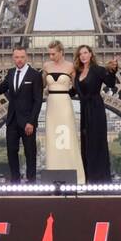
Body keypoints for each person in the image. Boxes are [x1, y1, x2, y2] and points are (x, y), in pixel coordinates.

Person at [0, 45, 43, 181]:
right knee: (11, 152)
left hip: (27, 121)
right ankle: (15, 181)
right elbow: (1, 88)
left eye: (21, 57)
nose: (19, 60)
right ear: (13, 58)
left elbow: (38, 101)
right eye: (16, 57)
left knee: (30, 153)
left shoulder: (35, 75)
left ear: (26, 57)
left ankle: (31, 182)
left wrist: (32, 122)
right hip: (12, 120)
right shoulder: (10, 73)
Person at [73, 44, 119, 183]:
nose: (83, 55)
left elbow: (110, 83)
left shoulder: (98, 70)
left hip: (96, 109)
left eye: (85, 52)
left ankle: (100, 179)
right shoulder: (78, 72)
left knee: (97, 143)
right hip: (85, 111)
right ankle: (89, 178)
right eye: (80, 53)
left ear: (91, 54)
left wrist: (113, 70)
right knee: (87, 144)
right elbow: (74, 91)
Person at [42, 39, 85, 183]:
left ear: (61, 53)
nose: (51, 57)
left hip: (64, 104)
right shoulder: (46, 66)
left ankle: (74, 175)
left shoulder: (71, 66)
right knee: (53, 140)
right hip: (52, 105)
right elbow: (42, 86)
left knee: (67, 138)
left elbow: (78, 86)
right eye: (49, 54)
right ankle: (54, 174)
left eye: (53, 54)